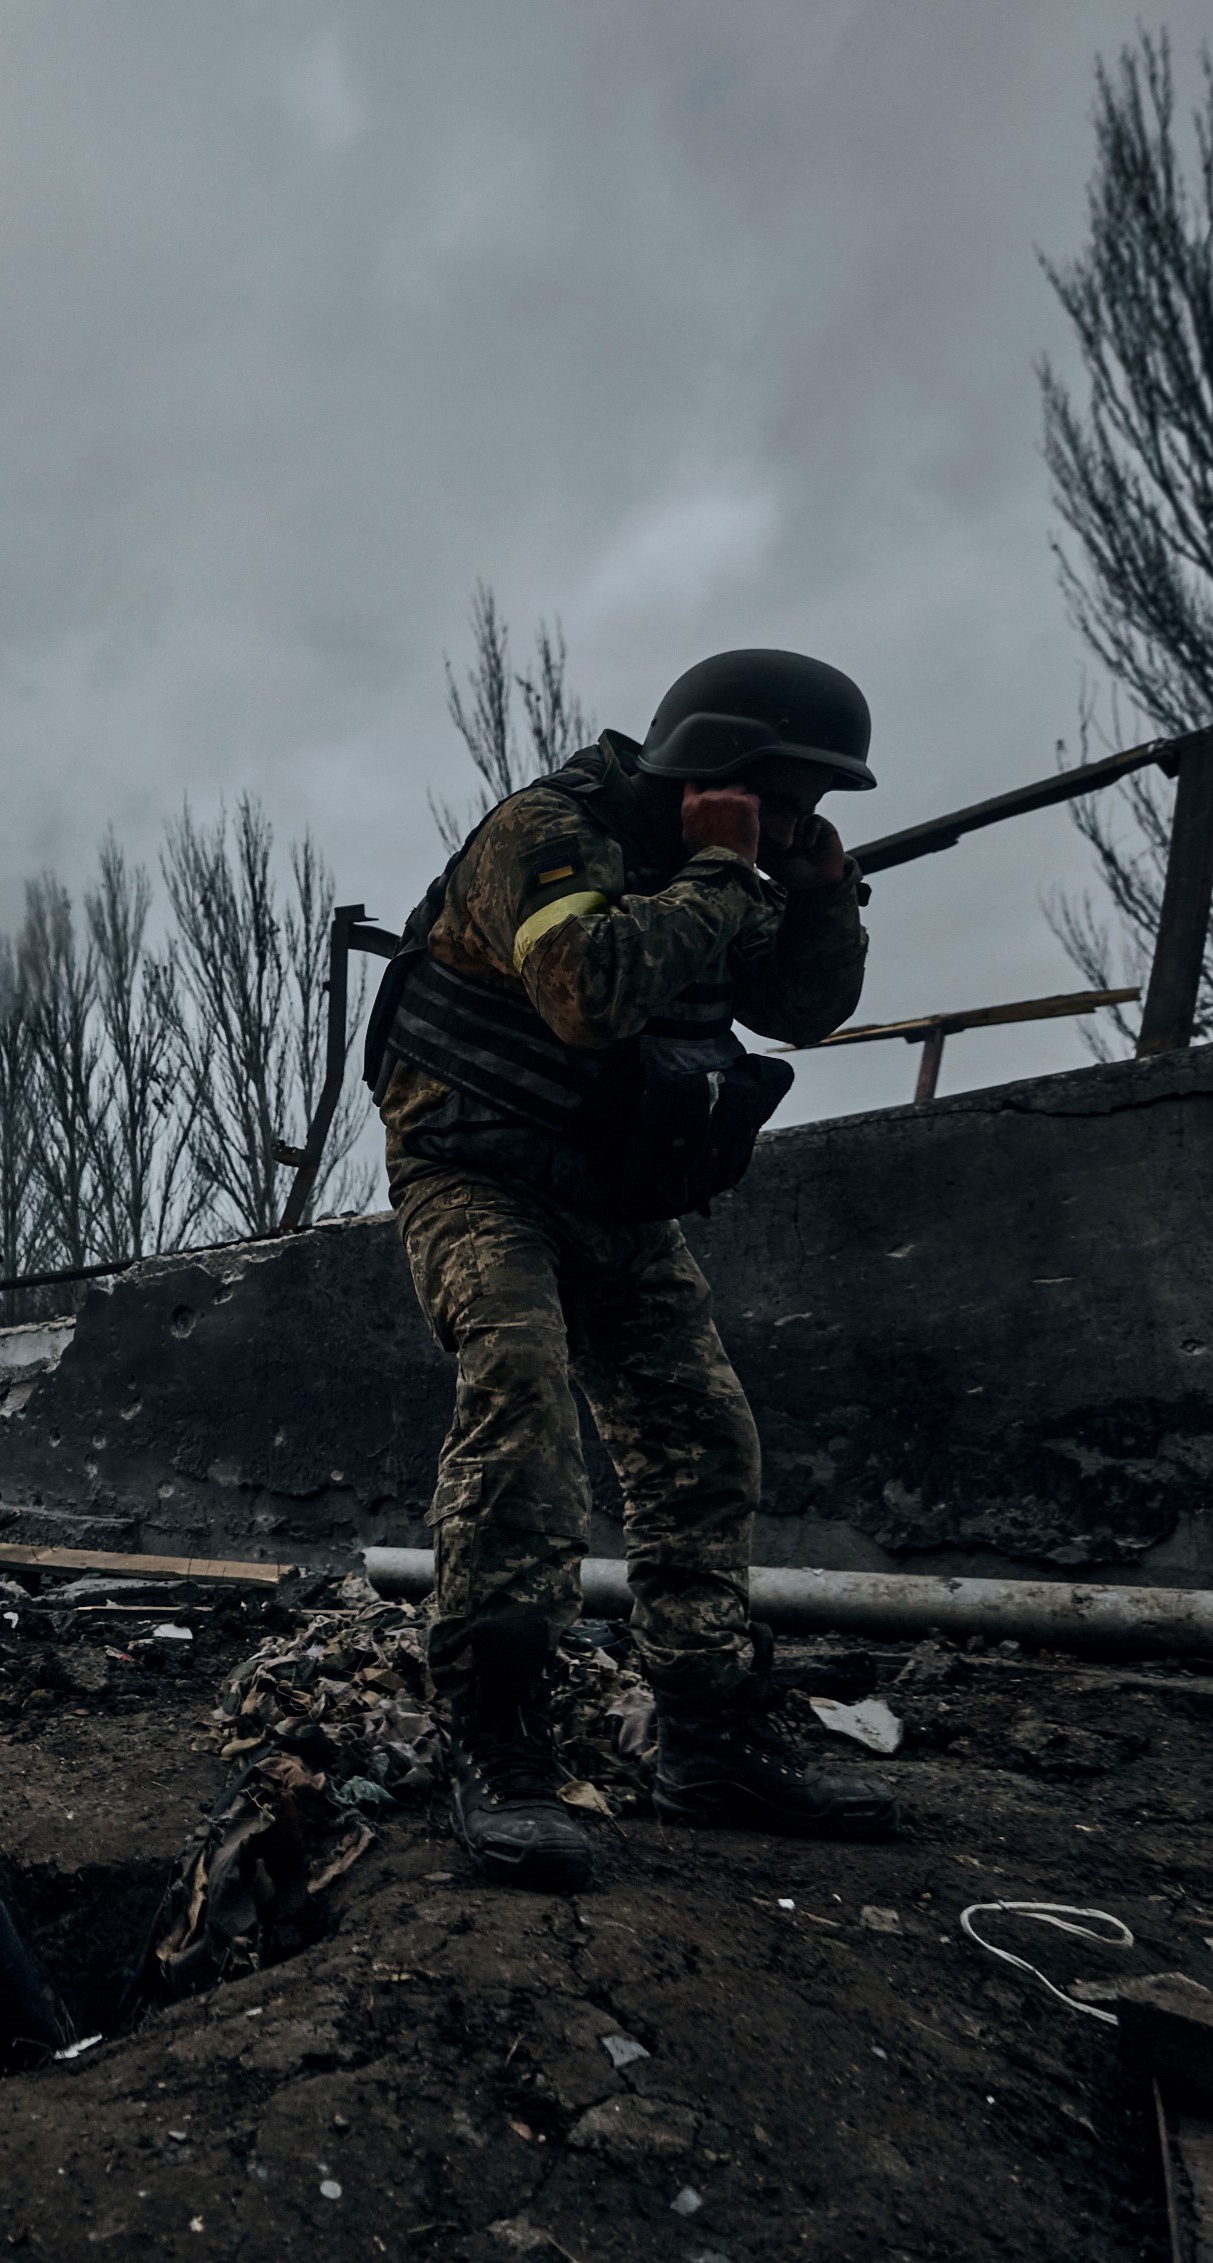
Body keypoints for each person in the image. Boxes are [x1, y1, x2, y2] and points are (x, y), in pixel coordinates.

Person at [367, 648, 900, 1889]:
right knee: (524, 1400)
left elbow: (802, 1011)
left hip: (614, 1189)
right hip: (476, 1170)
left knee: (702, 1435)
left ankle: (709, 1737)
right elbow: (584, 989)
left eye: (814, 803)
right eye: (787, 795)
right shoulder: (546, 831)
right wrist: (724, 870)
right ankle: (496, 1739)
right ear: (717, 767)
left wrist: (820, 897)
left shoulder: (728, 874)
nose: (798, 820)